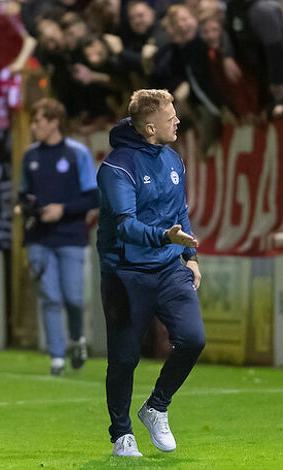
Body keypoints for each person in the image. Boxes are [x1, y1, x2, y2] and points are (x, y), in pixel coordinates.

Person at [96, 89, 204, 457]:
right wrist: (164, 236)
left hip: (169, 268)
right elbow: (125, 225)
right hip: (125, 273)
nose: (177, 120)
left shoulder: (173, 159)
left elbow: (181, 212)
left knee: (193, 339)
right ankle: (121, 434)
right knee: (125, 358)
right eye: (170, 116)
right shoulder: (117, 168)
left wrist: (190, 256)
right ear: (149, 126)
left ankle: (156, 407)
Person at [18, 98, 99, 376]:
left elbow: (93, 196)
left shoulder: (77, 153)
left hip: (71, 236)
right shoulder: (30, 156)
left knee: (73, 298)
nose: (34, 126)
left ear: (54, 122)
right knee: (49, 297)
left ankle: (77, 340)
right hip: (39, 237)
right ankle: (56, 358)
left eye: (39, 120)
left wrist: (62, 210)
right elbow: (23, 193)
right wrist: (24, 208)